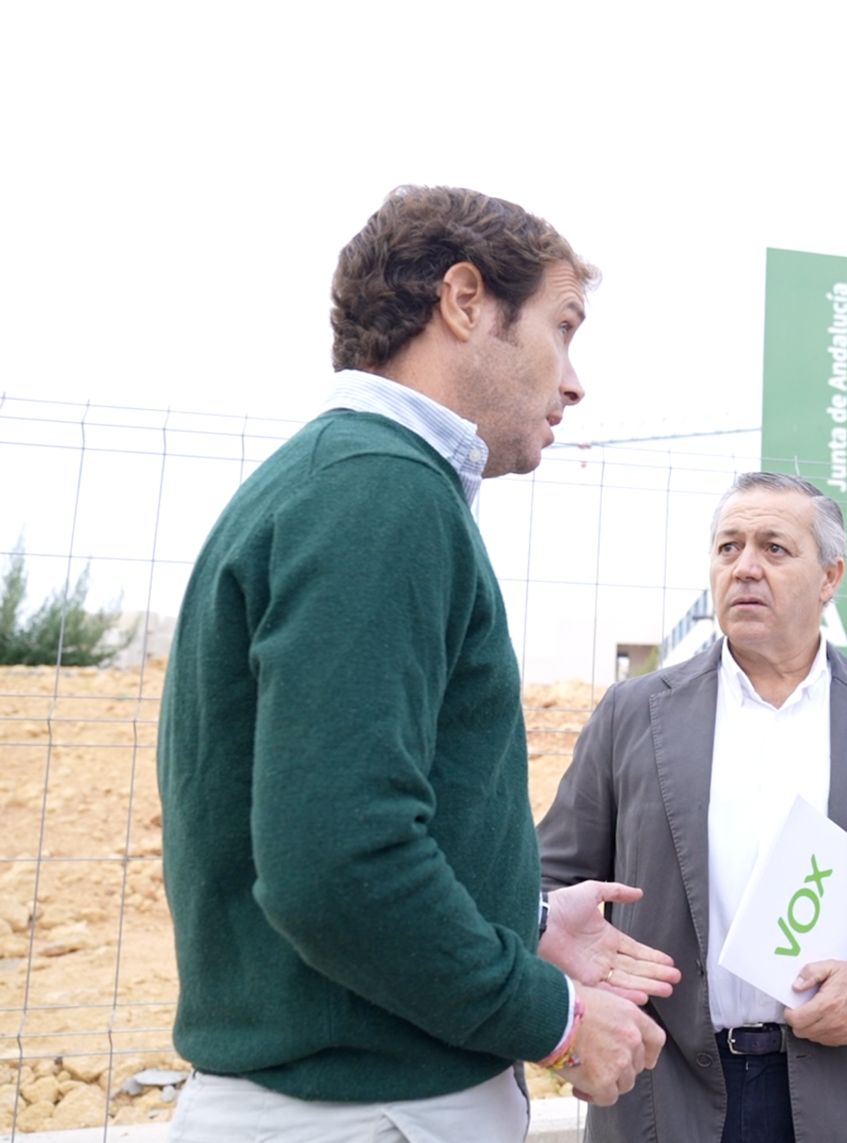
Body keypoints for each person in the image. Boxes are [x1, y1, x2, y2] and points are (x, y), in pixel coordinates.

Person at [157, 186, 675, 1141]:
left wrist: (524, 919)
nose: (573, 381)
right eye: (563, 329)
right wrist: (552, 1018)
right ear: (466, 299)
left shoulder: (350, 482)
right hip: (367, 1112)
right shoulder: (379, 495)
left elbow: (362, 821)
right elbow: (340, 864)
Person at [537, 471, 847, 1143]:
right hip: (669, 1088)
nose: (745, 567)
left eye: (774, 548)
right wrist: (579, 1000)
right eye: (728, 547)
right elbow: (549, 878)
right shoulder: (634, 714)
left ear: (830, 576)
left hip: (842, 1096)